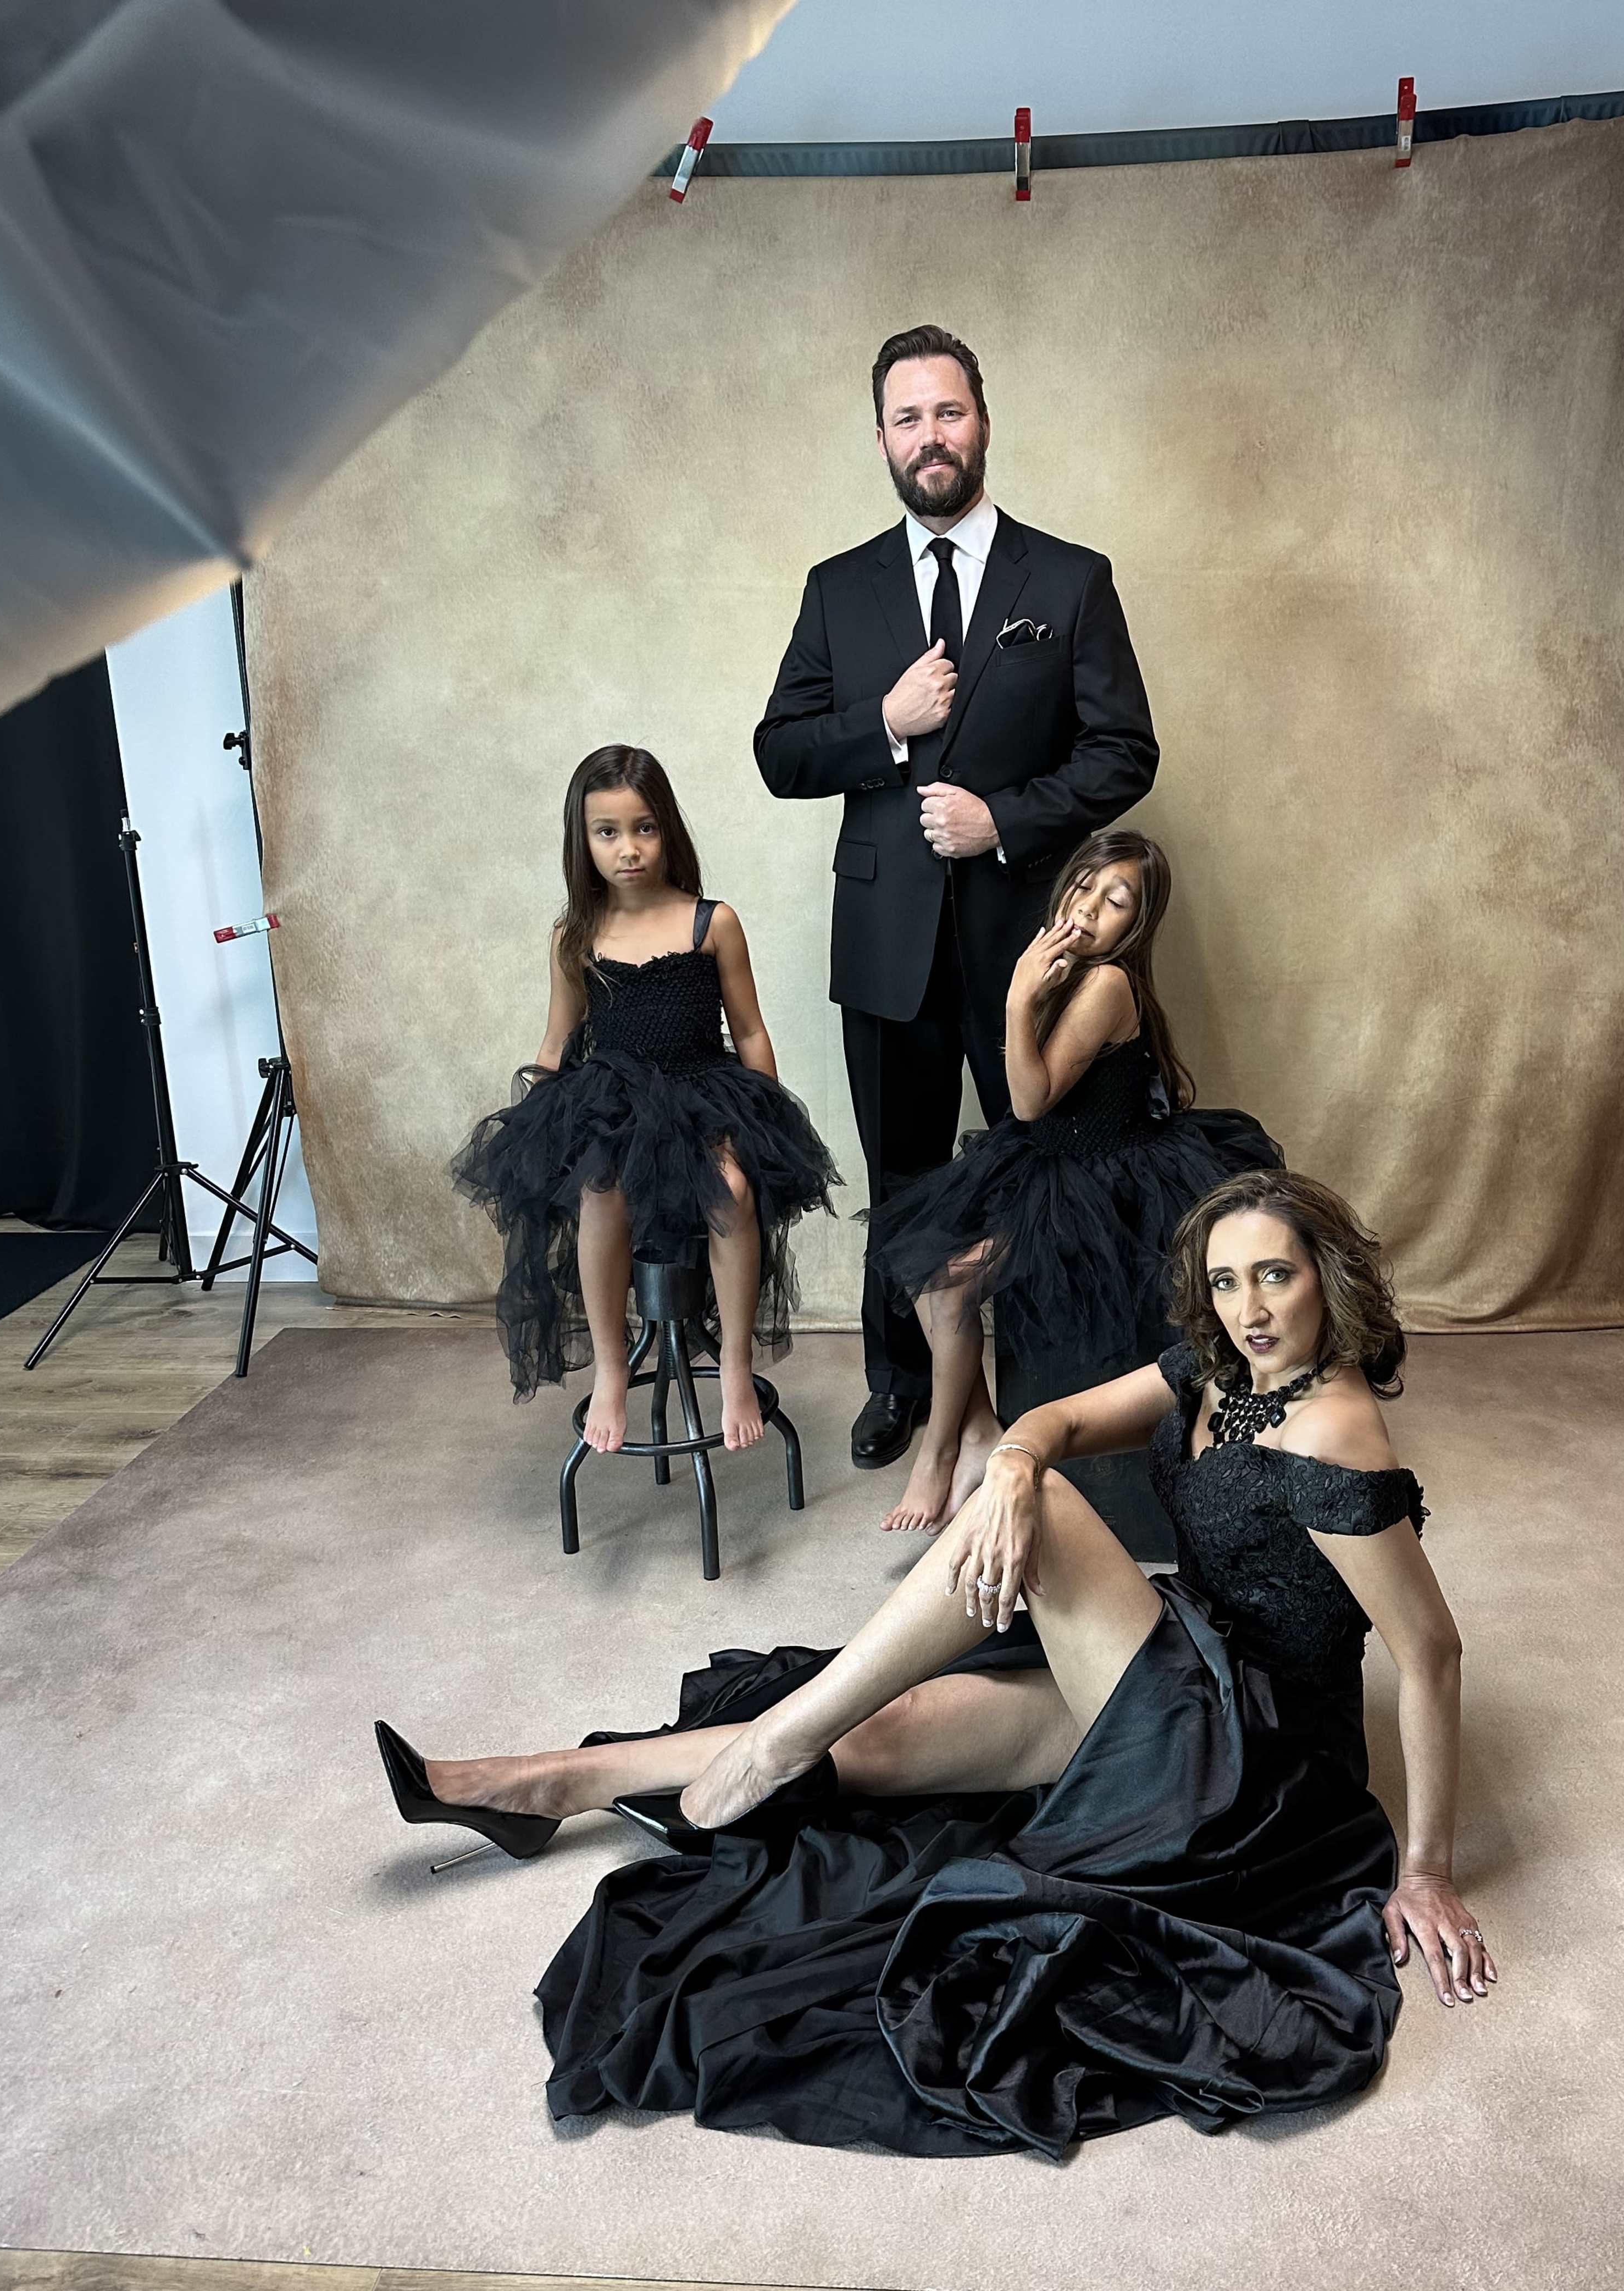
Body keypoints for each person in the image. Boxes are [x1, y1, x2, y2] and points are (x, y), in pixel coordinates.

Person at [376, 1169, 1494, 2159]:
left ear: (1326, 1279)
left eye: (1276, 1278)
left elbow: (1430, 1649)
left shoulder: (1333, 1430)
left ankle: (777, 1741)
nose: (1249, 1309)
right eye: (1227, 1280)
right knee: (889, 1730)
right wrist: (1009, 1459)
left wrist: (1429, 1863)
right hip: (1171, 1667)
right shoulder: (1216, 1369)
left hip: (1251, 1759)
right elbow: (1053, 1420)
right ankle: (549, 1783)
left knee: (1031, 1517)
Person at [754, 323, 1159, 1474]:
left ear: (982, 419)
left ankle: (1052, 1390)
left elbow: (1125, 751)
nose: (930, 436)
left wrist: (1006, 820)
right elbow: (780, 752)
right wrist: (883, 725)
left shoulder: (1069, 579)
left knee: (1046, 1167)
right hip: (887, 941)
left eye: (949, 412)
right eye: (906, 417)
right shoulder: (840, 590)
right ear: (880, 437)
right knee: (904, 1176)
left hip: (1028, 935)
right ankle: (908, 1387)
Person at [868, 826, 1282, 1532]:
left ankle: (940, 1449)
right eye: (1084, 886)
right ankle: (973, 1432)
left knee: (953, 1282)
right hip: (1050, 1159)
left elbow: (1028, 1100)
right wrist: (1033, 988)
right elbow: (1033, 1118)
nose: (1090, 908)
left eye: (1115, 901)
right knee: (923, 1267)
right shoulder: (1063, 963)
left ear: (1138, 924)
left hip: (1109, 1177)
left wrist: (1015, 1001)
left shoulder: (1109, 982)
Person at [451, 744, 839, 1451]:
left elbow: (749, 1030)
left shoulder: (710, 922)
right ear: (584, 840)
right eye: (608, 832)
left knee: (731, 1188)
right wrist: (536, 1128)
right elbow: (555, 1041)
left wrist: (766, 1119)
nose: (628, 849)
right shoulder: (575, 937)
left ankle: (736, 1362)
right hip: (611, 1100)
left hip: (703, 1092)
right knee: (602, 1188)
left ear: (668, 830)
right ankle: (608, 1366)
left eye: (644, 828)